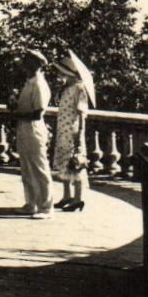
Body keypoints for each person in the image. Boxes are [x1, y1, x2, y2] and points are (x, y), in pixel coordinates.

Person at [9, 48, 53, 218]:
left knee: (39, 167)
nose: (24, 64)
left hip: (34, 130)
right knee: (27, 168)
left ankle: (46, 207)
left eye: (27, 60)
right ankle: (31, 203)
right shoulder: (29, 82)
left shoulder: (40, 84)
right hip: (24, 128)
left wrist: (16, 114)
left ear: (36, 64)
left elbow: (37, 113)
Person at [52, 49, 96, 212]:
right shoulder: (65, 88)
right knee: (64, 162)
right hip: (63, 129)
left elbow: (81, 113)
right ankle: (67, 195)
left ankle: (78, 198)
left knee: (75, 163)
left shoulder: (79, 88)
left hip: (73, 130)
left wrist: (80, 135)